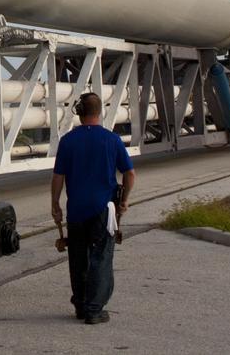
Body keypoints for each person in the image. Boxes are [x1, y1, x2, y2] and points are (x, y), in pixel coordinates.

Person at [51, 92, 135, 325]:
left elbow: (58, 177)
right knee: (100, 257)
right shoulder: (112, 140)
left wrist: (55, 204)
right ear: (101, 112)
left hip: (76, 210)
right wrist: (125, 199)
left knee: (77, 258)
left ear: (79, 113)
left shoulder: (67, 141)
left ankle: (80, 305)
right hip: (103, 210)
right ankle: (94, 310)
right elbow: (129, 174)